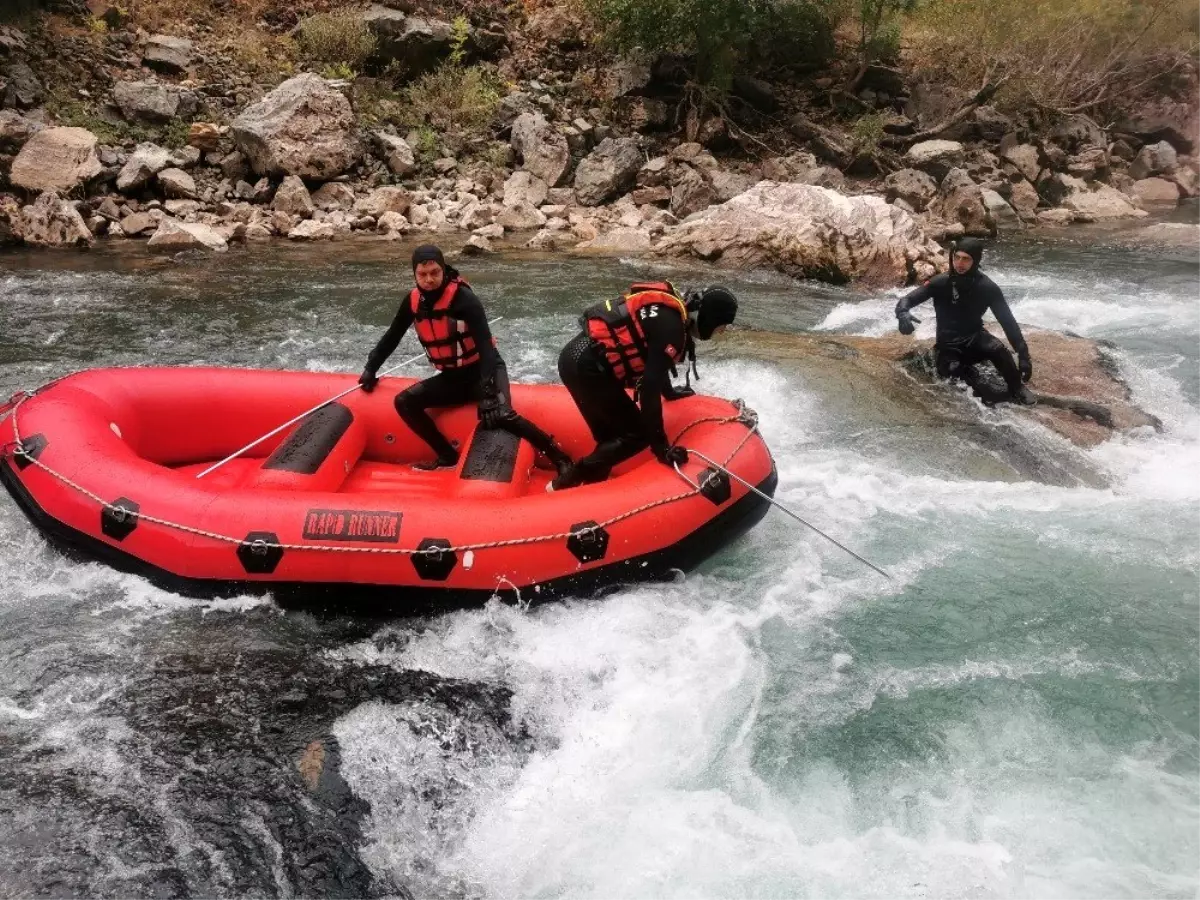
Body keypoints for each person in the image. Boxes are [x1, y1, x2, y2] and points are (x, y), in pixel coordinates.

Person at [358, 244, 573, 473]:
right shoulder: (412, 302)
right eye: (422, 275)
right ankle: (447, 456)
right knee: (404, 402)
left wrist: (489, 391)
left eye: (434, 273)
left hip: (483, 370)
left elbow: (486, 348)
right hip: (453, 378)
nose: (429, 280)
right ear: (414, 274)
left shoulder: (464, 299)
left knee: (501, 415)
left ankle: (559, 458)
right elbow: (392, 337)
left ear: (443, 270)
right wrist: (371, 368)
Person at [549, 281, 739, 491]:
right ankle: (565, 483)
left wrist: (669, 391)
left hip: (578, 359)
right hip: (587, 368)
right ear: (711, 318)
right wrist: (662, 449)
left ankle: (587, 492)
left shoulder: (674, 315)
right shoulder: (673, 330)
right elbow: (649, 388)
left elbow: (653, 357)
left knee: (611, 439)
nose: (721, 332)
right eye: (722, 326)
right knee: (637, 435)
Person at [895, 237, 1036, 406]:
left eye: (966, 259)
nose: (960, 263)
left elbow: (1008, 323)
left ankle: (1016, 387)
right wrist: (902, 313)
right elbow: (906, 300)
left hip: (974, 337)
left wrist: (1023, 355)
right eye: (957, 257)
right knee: (954, 371)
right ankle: (973, 379)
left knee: (997, 349)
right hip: (948, 345)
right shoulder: (940, 282)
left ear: (976, 260)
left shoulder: (988, 288)